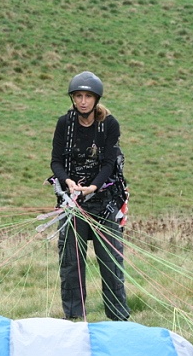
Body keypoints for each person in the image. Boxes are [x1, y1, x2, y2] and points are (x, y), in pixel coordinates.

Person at [50, 71, 130, 321]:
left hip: (104, 202)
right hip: (72, 203)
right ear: (73, 98)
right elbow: (56, 161)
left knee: (110, 261)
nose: (83, 101)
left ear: (96, 99)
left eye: (88, 97)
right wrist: (67, 181)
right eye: (78, 96)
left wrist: (93, 187)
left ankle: (118, 319)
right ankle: (74, 318)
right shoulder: (65, 124)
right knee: (71, 263)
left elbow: (109, 163)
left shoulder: (109, 124)